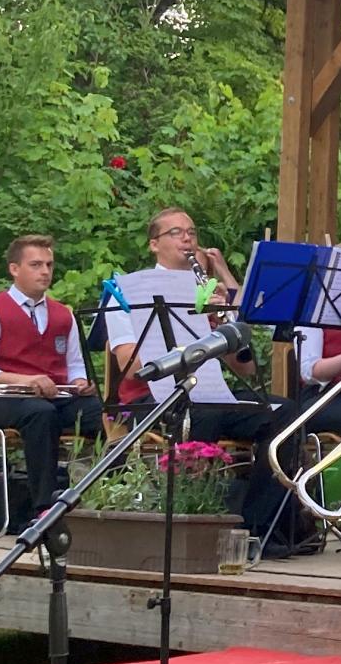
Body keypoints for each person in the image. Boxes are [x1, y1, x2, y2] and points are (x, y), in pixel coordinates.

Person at [106, 207, 303, 551]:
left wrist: (219, 328)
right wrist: (192, 338)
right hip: (151, 398)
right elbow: (129, 363)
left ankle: (254, 525)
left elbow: (246, 371)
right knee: (201, 415)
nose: (187, 239)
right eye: (176, 233)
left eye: (192, 232)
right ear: (154, 244)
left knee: (285, 414)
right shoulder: (128, 290)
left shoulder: (207, 291)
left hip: (210, 395)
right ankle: (188, 522)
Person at [0, 234, 101, 513]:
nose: (46, 271)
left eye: (49, 265)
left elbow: (74, 363)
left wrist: (80, 382)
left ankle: (108, 496)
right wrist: (25, 380)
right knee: (39, 414)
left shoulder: (64, 315)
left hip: (57, 398)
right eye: (36, 265)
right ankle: (44, 506)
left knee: (107, 414)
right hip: (3, 401)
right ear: (14, 269)